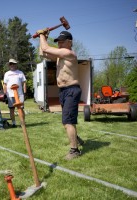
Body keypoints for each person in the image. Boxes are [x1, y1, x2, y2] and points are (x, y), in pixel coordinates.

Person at [37, 30, 84, 160]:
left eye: (62, 42)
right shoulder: (59, 57)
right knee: (66, 121)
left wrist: (41, 36)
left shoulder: (68, 53)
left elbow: (46, 47)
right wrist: (44, 37)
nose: (59, 44)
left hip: (71, 89)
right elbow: (43, 53)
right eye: (58, 42)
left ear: (70, 42)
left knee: (67, 121)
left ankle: (74, 151)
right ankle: (75, 137)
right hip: (63, 91)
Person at [3, 58, 27, 128]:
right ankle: (13, 123)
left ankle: (22, 122)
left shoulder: (20, 73)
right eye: (10, 64)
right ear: (9, 65)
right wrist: (5, 94)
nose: (12, 65)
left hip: (19, 94)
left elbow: (24, 83)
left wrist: (25, 92)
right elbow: (5, 84)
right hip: (10, 94)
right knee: (11, 109)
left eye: (13, 64)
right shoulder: (7, 73)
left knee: (21, 108)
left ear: (16, 65)